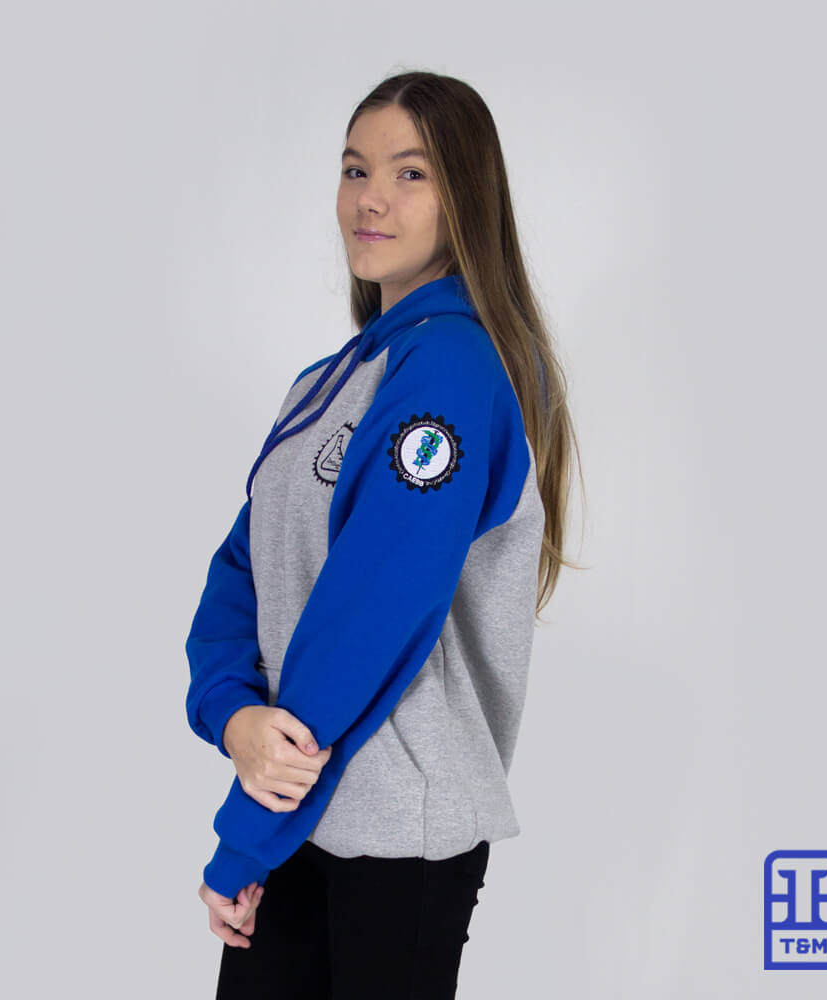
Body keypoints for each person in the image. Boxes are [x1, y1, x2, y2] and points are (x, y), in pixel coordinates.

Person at [184, 69, 582, 999]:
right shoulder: (328, 381)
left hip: (397, 832)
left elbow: (373, 609)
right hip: (297, 808)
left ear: (465, 195)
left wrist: (247, 832)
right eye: (355, 169)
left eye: (411, 173)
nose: (370, 199)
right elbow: (240, 569)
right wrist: (234, 716)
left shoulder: (453, 370)